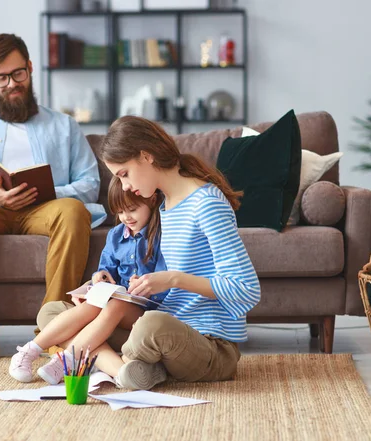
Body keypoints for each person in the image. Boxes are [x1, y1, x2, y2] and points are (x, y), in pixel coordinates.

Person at [36, 115, 261, 390]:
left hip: (209, 344)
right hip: (163, 333)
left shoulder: (207, 205)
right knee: (54, 313)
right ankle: (128, 371)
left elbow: (246, 290)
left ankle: (111, 362)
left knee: (151, 326)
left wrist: (172, 279)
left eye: (124, 174)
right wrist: (100, 292)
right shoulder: (164, 207)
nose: (126, 186)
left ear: (146, 157)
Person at [0, 34, 103, 363]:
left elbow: (90, 182)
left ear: (30, 68)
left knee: (73, 211)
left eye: (19, 73)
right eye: (1, 78)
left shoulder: (64, 126)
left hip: (47, 210)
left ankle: (52, 331)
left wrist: (48, 192)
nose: (12, 84)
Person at [8, 177, 168, 384]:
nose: (126, 217)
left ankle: (70, 358)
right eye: (120, 212)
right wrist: (97, 279)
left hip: (142, 315)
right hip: (108, 314)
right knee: (51, 311)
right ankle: (30, 352)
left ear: (152, 201)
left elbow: (166, 285)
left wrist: (146, 285)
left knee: (114, 303)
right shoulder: (116, 235)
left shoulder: (163, 234)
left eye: (132, 209)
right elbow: (105, 271)